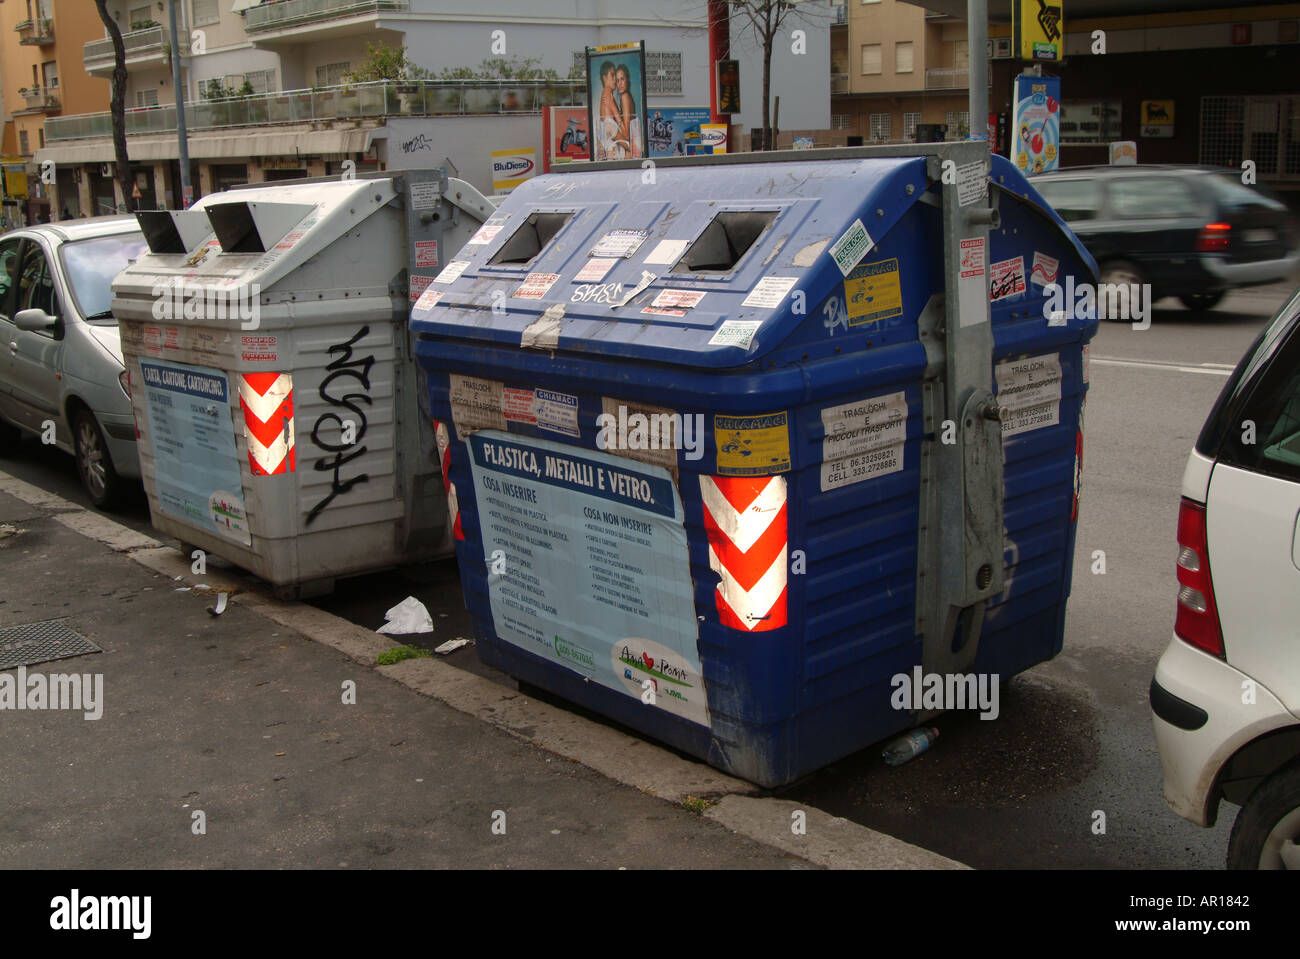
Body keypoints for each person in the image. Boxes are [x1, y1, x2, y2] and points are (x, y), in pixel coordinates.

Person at [597, 61, 625, 160]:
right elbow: (617, 116)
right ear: (604, 78)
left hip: (607, 128)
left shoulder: (605, 93)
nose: (615, 79)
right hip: (610, 126)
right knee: (626, 148)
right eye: (612, 75)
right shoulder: (607, 93)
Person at [615, 65, 642, 158]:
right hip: (631, 149)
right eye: (617, 80)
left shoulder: (625, 97)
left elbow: (626, 134)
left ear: (627, 79)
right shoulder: (628, 96)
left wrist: (615, 135)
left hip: (628, 151)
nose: (620, 83)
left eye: (622, 79)